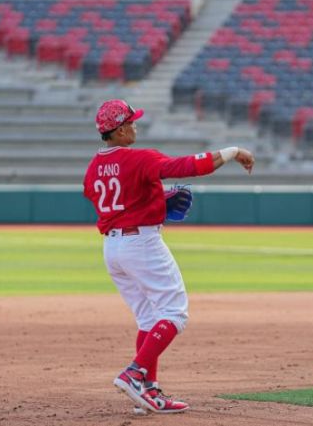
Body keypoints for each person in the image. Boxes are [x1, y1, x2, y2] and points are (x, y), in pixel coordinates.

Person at [82, 99, 255, 414]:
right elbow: (187, 166)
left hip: (113, 247)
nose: (136, 126)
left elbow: (112, 197)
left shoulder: (93, 167)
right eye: (131, 122)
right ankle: (134, 374)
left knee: (149, 319)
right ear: (119, 131)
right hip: (142, 243)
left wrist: (155, 199)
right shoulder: (140, 159)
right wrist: (231, 152)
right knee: (175, 313)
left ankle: (149, 392)